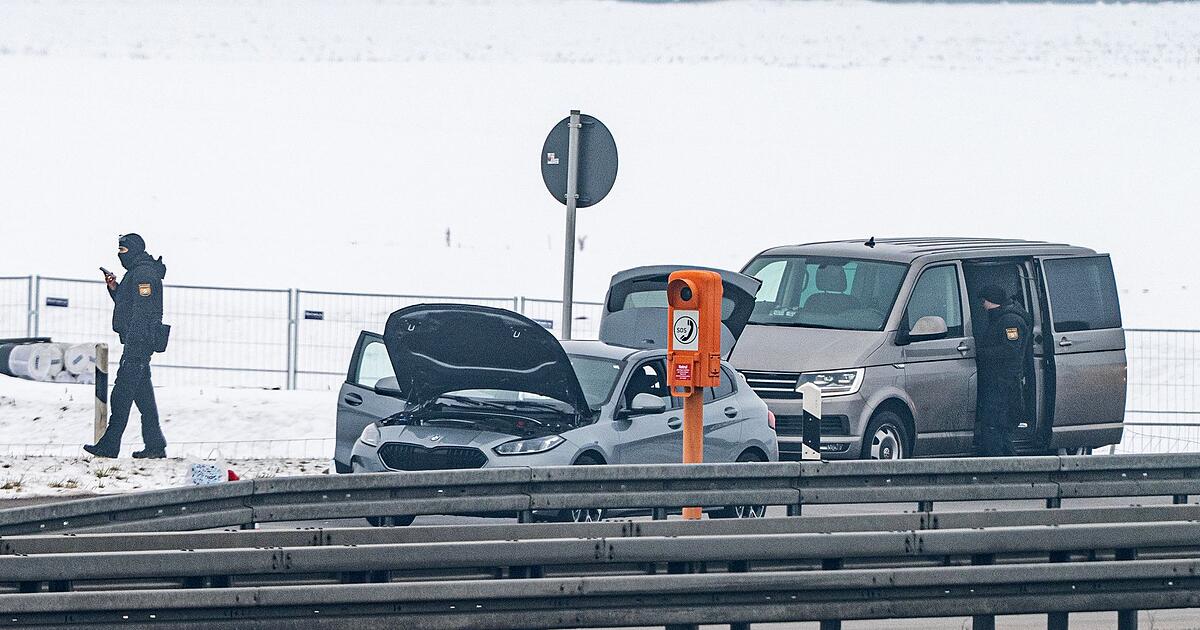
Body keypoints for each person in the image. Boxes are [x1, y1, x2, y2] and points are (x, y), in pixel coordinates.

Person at [84, 234, 169, 459]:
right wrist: (115, 288)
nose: (120, 255)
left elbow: (144, 312)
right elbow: (129, 305)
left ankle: (109, 446)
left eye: (123, 250)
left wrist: (135, 345)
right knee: (144, 400)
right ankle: (155, 445)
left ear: (134, 250)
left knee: (121, 395)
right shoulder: (136, 272)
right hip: (136, 343)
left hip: (138, 345)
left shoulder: (144, 274)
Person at [974, 285, 1033, 457]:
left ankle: (1001, 467)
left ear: (991, 301)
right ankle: (1008, 466)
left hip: (1004, 382)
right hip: (999, 380)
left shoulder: (1010, 321)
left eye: (984, 301)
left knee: (994, 425)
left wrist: (981, 353)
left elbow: (1010, 350)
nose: (983, 305)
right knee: (998, 428)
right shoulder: (1001, 318)